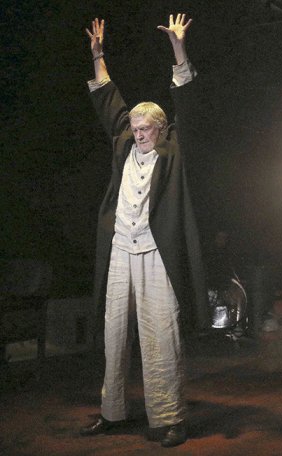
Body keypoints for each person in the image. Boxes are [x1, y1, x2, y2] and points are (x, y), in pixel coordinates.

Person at [79, 14, 208, 448]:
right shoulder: (123, 142)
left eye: (145, 129)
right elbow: (108, 101)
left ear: (161, 129)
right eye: (134, 129)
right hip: (121, 248)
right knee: (114, 333)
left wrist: (178, 49)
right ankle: (112, 412)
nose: (138, 135)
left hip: (156, 252)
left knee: (161, 335)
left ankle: (171, 418)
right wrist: (98, 55)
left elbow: (189, 102)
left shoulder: (173, 149)